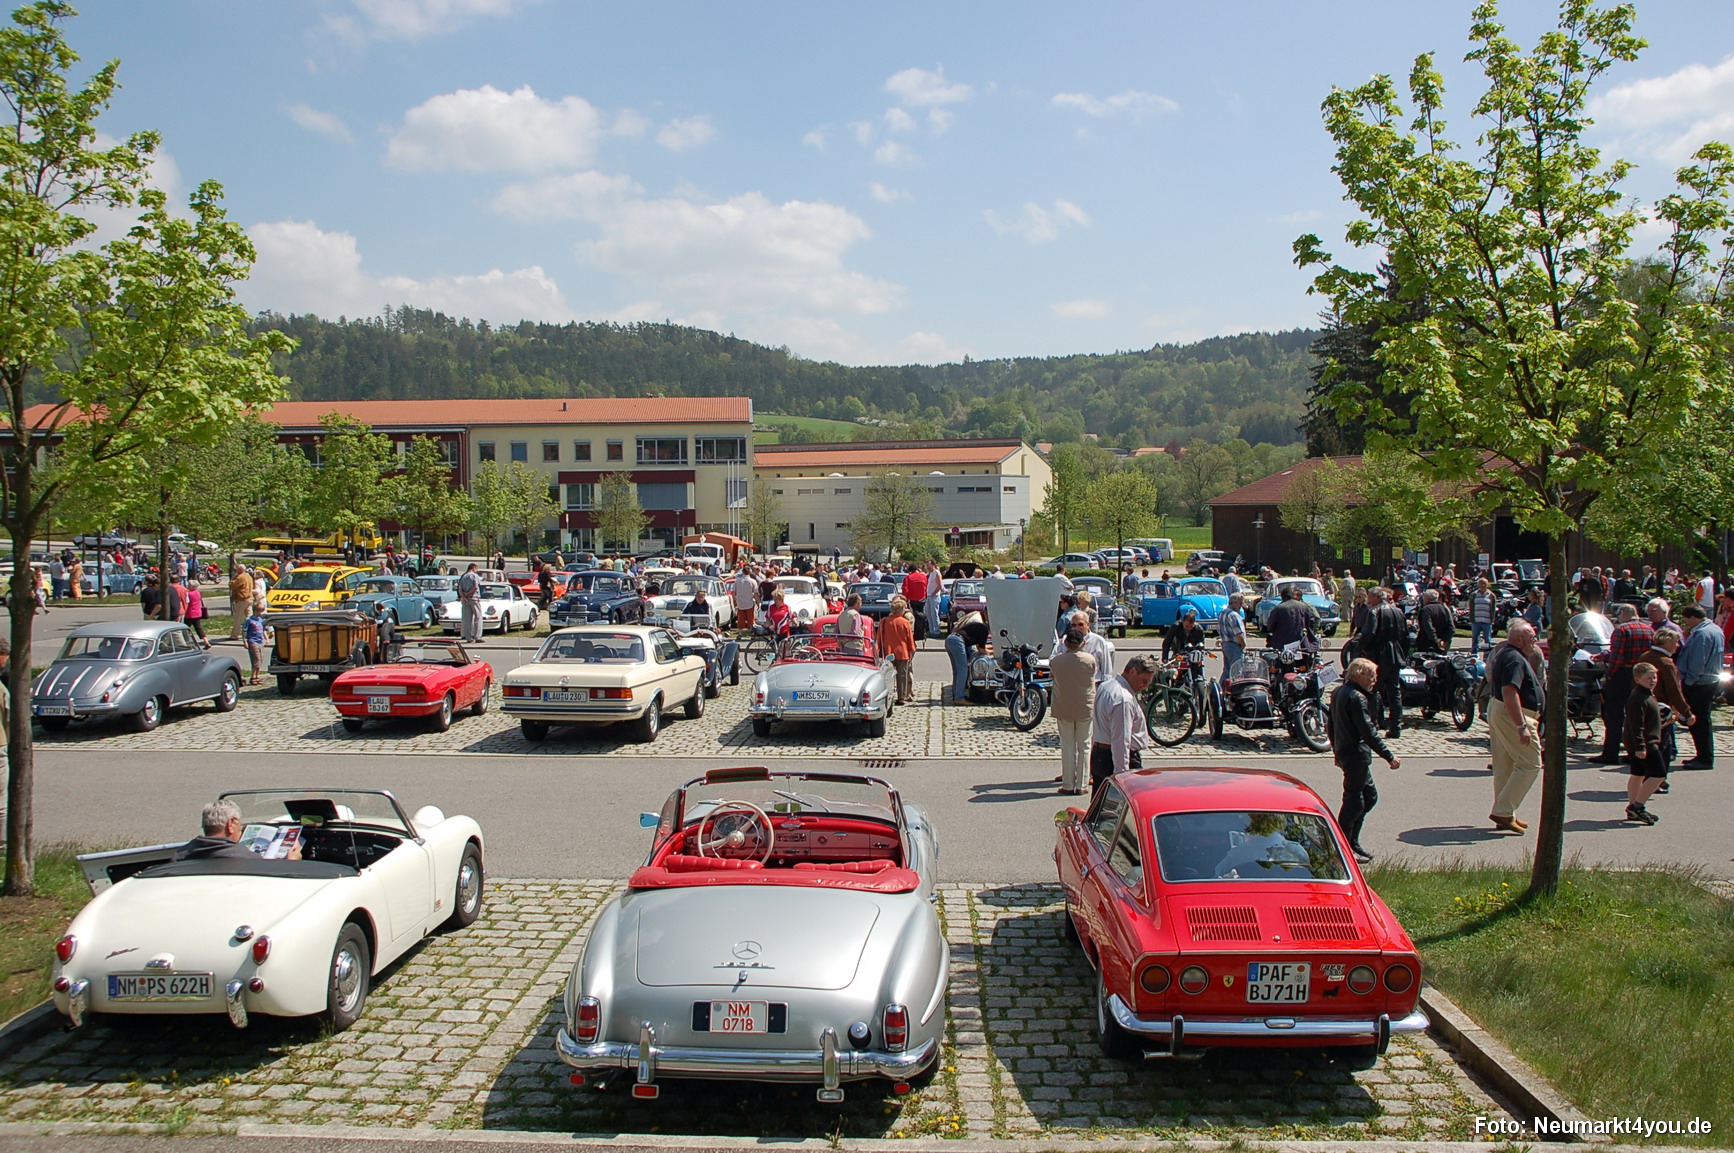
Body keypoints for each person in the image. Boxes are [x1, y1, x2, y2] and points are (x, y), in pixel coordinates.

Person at [1329, 657, 1401, 862]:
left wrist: (1336, 751)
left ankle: (1353, 841)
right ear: (1359, 675)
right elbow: (1368, 732)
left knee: (1369, 797)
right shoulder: (1356, 697)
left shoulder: (1340, 692)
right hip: (1355, 755)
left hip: (1347, 753)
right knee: (1353, 802)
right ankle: (1342, 848)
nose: (1374, 680)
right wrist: (1389, 756)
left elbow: (1331, 727)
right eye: (1371, 675)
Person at [1487, 619, 1544, 832]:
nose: (1535, 640)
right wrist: (1521, 725)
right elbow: (1509, 691)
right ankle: (1502, 811)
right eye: (1532, 637)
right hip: (1512, 714)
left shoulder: (1510, 654)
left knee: (1506, 765)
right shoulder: (1514, 658)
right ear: (1520, 638)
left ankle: (1505, 813)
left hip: (1501, 711)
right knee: (1531, 763)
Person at [1595, 604, 1654, 763]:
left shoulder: (1621, 630)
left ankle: (1611, 753)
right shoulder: (1649, 629)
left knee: (1614, 715)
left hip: (1623, 674)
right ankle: (1634, 751)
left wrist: (1608, 676)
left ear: (1623, 614)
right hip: (1641, 674)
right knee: (1636, 715)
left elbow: (1617, 657)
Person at [1090, 655, 1157, 790]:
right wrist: (1122, 776)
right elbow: (1121, 741)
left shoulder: (1106, 685)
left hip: (1100, 754)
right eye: (1144, 681)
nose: (1145, 686)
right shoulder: (1123, 699)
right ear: (1132, 672)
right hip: (1114, 759)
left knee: (1100, 805)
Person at [1675, 604, 1724, 770]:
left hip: (1699, 683)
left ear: (1693, 618)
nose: (1686, 623)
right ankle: (1703, 755)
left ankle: (1704, 758)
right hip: (1709, 680)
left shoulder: (1702, 634)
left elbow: (1698, 662)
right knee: (1702, 720)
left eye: (1686, 620)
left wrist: (1689, 681)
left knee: (1698, 721)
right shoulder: (1715, 629)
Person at [1050, 628, 1097, 795]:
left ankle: (1068, 784)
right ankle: (1082, 784)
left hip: (1064, 706)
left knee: (1067, 745)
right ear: (1083, 643)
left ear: (1065, 643)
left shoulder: (1056, 661)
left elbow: (1053, 675)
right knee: (1084, 745)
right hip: (1085, 705)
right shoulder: (1089, 660)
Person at [175, 798, 300, 861]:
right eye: (239, 826)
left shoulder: (181, 854)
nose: (241, 832)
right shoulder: (245, 858)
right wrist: (291, 862)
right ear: (231, 824)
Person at [1361, 586, 1409, 738]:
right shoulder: (1398, 611)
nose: (1368, 600)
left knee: (1373, 689)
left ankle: (1373, 725)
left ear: (1376, 598)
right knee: (1394, 693)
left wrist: (1362, 648)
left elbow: (1369, 633)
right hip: (1395, 654)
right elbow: (1405, 635)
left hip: (1379, 655)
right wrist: (1403, 653)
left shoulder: (1374, 612)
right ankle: (1395, 727)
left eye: (1370, 597)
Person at [1622, 662, 1666, 824]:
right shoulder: (1638, 698)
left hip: (1643, 742)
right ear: (1638, 678)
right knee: (1658, 774)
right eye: (1649, 678)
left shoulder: (1647, 694)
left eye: (1654, 677)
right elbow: (1636, 725)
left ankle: (1633, 805)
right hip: (1645, 744)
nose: (1653, 680)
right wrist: (1640, 746)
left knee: (1638, 773)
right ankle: (1637, 807)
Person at [947, 610, 990, 704]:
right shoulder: (983, 628)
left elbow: (979, 646)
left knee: (957, 670)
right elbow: (981, 649)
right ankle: (959, 698)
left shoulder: (977, 620)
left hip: (951, 639)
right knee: (963, 669)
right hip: (958, 641)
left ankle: (956, 695)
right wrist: (990, 654)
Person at [881, 595, 916, 706]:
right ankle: (901, 697)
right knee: (902, 675)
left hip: (889, 652)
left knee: (887, 675)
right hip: (903, 651)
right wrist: (911, 650)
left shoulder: (884, 621)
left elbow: (880, 637)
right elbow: (909, 638)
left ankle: (888, 695)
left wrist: (879, 649)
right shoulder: (905, 622)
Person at [1264, 585, 1318, 650]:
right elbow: (1312, 623)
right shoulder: (1304, 607)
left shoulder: (1278, 608)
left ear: (1282, 596)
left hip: (1281, 644)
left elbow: (1270, 626)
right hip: (1302, 644)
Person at [1219, 591, 1248, 685]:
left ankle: (1221, 690)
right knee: (1236, 672)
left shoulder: (1223, 613)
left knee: (1227, 671)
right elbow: (1238, 633)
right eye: (1240, 603)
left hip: (1225, 644)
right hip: (1235, 646)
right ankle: (1234, 692)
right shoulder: (1234, 615)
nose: (1241, 606)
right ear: (1234, 602)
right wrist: (1243, 645)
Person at [1415, 588, 1455, 652]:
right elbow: (1451, 628)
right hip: (1442, 645)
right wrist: (1445, 640)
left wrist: (1436, 640)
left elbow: (1428, 627)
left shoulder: (1425, 609)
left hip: (1427, 644)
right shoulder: (1445, 609)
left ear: (1427, 598)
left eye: (1424, 598)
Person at [1467, 577, 1497, 656]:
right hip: (1476, 620)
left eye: (1484, 584)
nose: (1483, 585)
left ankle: (1488, 656)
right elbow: (1471, 607)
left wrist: (1492, 619)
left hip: (1487, 621)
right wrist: (1471, 618)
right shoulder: (1474, 594)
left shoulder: (1491, 595)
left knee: (1487, 640)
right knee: (1475, 639)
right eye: (1481, 583)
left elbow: (1493, 608)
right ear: (1478, 584)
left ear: (1487, 585)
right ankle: (1474, 655)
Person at [902, 564, 929, 642]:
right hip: (922, 599)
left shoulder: (908, 578)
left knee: (913, 616)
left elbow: (905, 590)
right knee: (922, 615)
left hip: (912, 599)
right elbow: (926, 586)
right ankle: (921, 632)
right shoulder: (923, 576)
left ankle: (914, 633)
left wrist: (905, 599)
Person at [457, 563, 483, 643]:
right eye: (476, 569)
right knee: (478, 617)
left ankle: (468, 638)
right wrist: (468, 593)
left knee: (467, 619)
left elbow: (459, 589)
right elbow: (475, 587)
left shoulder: (463, 576)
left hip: (465, 600)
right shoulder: (474, 576)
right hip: (474, 598)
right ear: (474, 568)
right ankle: (477, 637)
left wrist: (464, 597)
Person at [243, 604, 268, 686]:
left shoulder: (261, 620)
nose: (262, 613)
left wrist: (266, 638)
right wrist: (245, 641)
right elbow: (244, 631)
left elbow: (264, 630)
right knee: (256, 659)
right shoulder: (249, 620)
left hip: (261, 641)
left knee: (260, 659)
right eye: (261, 611)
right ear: (256, 611)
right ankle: (253, 677)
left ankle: (257, 676)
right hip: (252, 641)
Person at [229, 564, 254, 640]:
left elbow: (232, 585)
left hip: (242, 599)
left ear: (239, 570)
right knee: (249, 617)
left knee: (238, 618)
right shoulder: (249, 576)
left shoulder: (240, 577)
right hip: (250, 598)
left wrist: (232, 579)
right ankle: (251, 632)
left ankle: (234, 635)